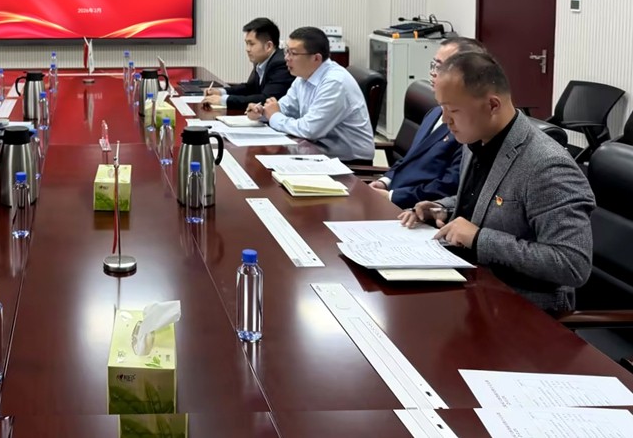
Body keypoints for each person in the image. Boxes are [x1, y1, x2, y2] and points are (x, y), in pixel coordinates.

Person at [399, 52, 593, 312]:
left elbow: (572, 264)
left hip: (522, 307)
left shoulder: (548, 165)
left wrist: (479, 238)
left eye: (453, 110)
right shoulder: (476, 137)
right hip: (471, 285)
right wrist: (442, 208)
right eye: (442, 108)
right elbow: (492, 199)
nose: (445, 120)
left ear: (492, 105)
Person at [370, 37, 486, 208]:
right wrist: (385, 181)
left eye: (441, 67)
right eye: (433, 65)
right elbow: (410, 158)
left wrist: (392, 196)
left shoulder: (470, 126)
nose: (433, 72)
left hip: (416, 207)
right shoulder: (434, 112)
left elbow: (449, 186)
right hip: (392, 196)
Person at [247, 26, 374, 163]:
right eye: (286, 51)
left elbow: (309, 130)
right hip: (315, 151)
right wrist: (263, 112)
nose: (286, 58)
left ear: (316, 58)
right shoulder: (303, 77)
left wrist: (274, 116)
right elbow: (286, 108)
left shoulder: (335, 83)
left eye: (293, 53)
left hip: (347, 162)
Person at [202, 17, 293, 111]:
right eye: (246, 44)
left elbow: (265, 99)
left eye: (251, 44)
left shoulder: (281, 64)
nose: (247, 49)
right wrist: (221, 92)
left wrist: (224, 100)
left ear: (268, 46)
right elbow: (250, 88)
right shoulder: (261, 60)